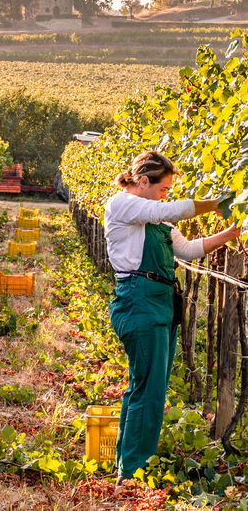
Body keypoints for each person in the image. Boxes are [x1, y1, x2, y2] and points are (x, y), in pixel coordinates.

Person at [104, 151, 240, 485]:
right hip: (139, 302)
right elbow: (172, 209)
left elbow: (189, 249)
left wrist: (233, 231)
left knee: (150, 387)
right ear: (144, 181)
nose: (167, 195)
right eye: (163, 187)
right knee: (146, 389)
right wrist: (219, 201)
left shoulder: (155, 218)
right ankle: (132, 471)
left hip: (162, 303)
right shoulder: (122, 204)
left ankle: (129, 463)